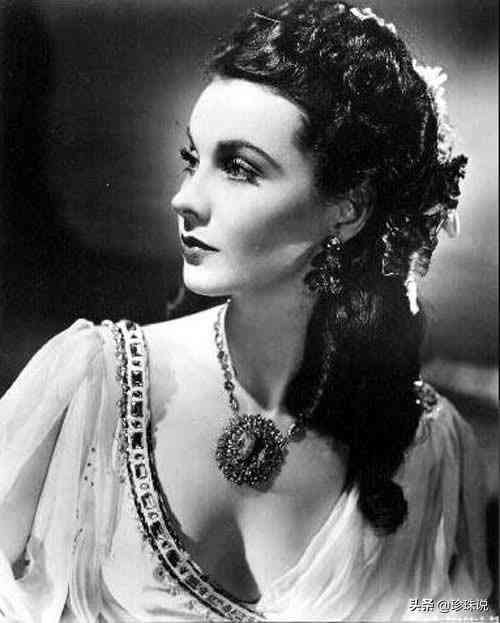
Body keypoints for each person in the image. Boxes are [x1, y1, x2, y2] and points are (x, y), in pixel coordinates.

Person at [0, 1, 493, 621]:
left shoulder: (432, 449)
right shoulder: (94, 384)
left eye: (238, 167)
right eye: (193, 159)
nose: (185, 199)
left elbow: (459, 608)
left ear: (348, 209)